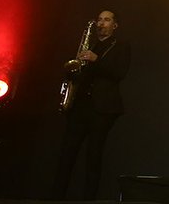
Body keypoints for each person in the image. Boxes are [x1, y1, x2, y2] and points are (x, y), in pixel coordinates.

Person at [52, 10, 131, 200]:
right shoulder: (91, 45)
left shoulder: (120, 46)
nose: (101, 23)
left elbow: (119, 73)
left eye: (107, 20)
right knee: (66, 154)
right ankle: (55, 198)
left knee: (93, 156)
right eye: (99, 20)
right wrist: (73, 73)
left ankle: (89, 199)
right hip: (80, 106)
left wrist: (96, 60)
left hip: (102, 108)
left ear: (115, 25)